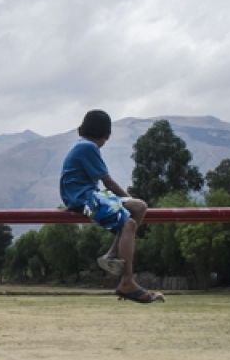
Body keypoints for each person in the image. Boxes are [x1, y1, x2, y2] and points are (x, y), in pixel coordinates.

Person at [59, 109, 164, 303]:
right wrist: (125, 200)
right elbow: (109, 183)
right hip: (83, 199)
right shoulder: (88, 147)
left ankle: (112, 254)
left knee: (139, 206)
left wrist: (129, 202)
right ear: (105, 135)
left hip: (89, 195)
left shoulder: (82, 145)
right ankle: (127, 281)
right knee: (130, 224)